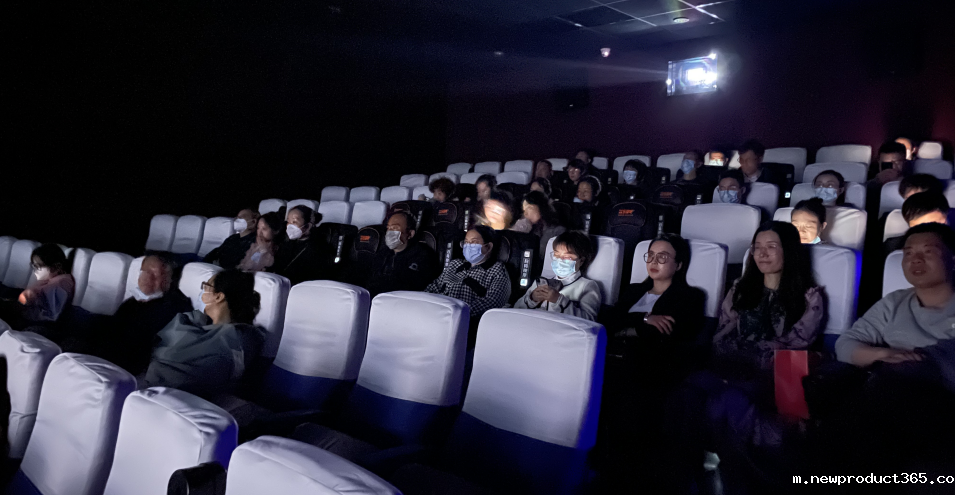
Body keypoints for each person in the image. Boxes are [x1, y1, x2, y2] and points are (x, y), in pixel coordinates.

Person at [664, 222, 824, 493]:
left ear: (789, 251)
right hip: (729, 364)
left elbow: (798, 343)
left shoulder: (808, 297)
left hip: (770, 372)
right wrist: (728, 358)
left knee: (727, 402)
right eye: (757, 247)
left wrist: (751, 352)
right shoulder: (740, 288)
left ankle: (735, 481)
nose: (762, 254)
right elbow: (722, 334)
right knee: (686, 394)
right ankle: (685, 478)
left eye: (771, 247)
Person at [822, 223, 955, 474]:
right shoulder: (895, 302)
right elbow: (846, 344)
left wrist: (918, 363)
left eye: (928, 251)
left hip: (940, 397)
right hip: (887, 390)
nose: (915, 259)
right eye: (908, 253)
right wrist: (885, 354)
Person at [143, 269, 266, 398]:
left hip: (178, 394)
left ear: (218, 297)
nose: (202, 292)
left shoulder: (239, 337)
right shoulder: (192, 322)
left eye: (206, 287)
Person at [610, 234, 706, 386]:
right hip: (614, 356)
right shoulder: (633, 290)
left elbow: (661, 332)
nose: (653, 261)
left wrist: (622, 330)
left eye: (662, 257)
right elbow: (609, 319)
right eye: (650, 255)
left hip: (651, 368)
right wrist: (645, 318)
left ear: (678, 265)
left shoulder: (690, 296)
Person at [94, 253, 193, 374]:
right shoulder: (133, 302)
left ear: (169, 278)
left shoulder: (175, 307)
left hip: (128, 365)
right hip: (106, 356)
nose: (147, 278)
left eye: (155, 274)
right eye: (145, 272)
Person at [425, 225, 510, 343]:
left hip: (468, 326)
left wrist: (456, 313)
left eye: (474, 242)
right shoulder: (455, 264)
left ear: (488, 246)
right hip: (437, 318)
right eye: (466, 242)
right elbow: (434, 287)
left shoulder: (497, 270)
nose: (468, 246)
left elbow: (493, 303)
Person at [514, 231, 600, 321]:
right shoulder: (541, 282)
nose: (560, 260)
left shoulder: (587, 286)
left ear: (581, 261)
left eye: (567, 257)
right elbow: (516, 309)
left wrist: (559, 300)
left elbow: (589, 321)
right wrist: (532, 299)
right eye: (556, 255)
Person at [0, 244, 75, 333]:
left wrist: (20, 307)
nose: (34, 270)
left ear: (56, 267)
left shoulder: (61, 284)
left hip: (38, 323)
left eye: (38, 267)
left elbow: (51, 315)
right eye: (33, 266)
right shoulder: (50, 279)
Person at [366, 211, 439, 296]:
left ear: (410, 234)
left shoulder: (422, 255)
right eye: (388, 228)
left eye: (395, 228)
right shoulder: (383, 253)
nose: (390, 232)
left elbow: (414, 286)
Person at [271, 205, 326, 285]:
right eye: (288, 222)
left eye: (294, 222)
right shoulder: (286, 243)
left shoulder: (319, 249)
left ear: (308, 226)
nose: (289, 226)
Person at [883, 192, 949, 253]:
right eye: (918, 229)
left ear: (946, 221)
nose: (927, 233)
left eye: (934, 226)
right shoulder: (892, 247)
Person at [513, 191, 565, 259]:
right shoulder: (526, 227)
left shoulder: (557, 231)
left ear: (541, 207)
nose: (526, 213)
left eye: (530, 208)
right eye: (524, 210)